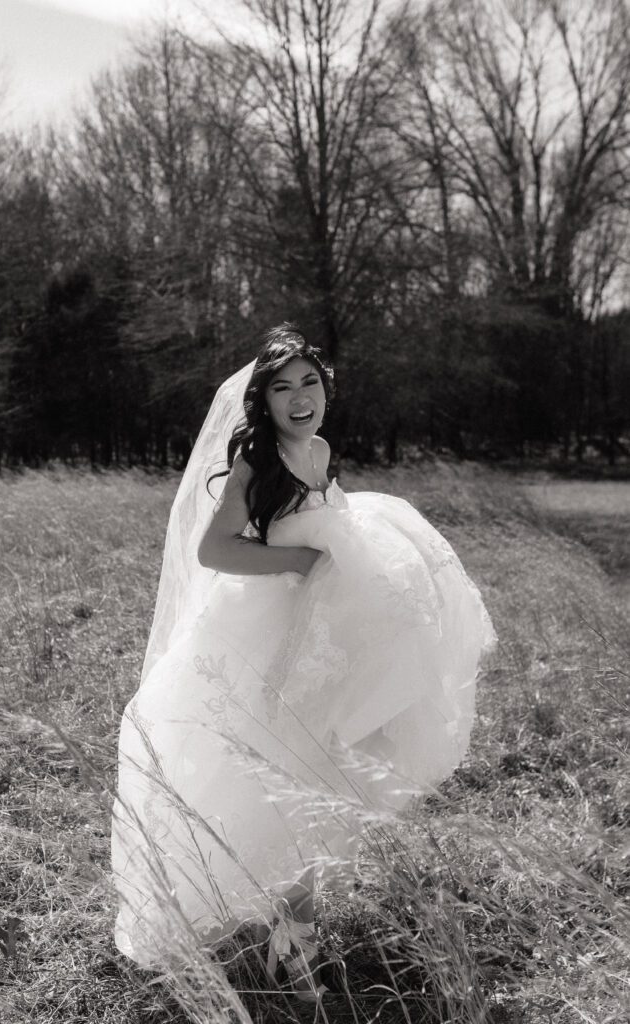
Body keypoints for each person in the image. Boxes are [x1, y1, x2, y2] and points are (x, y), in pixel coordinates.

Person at [111, 324, 496, 1003]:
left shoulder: (318, 451)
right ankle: (295, 949)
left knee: (318, 777)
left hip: (321, 641)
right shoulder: (259, 462)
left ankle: (294, 937)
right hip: (265, 633)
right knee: (279, 774)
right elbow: (215, 549)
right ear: (262, 402)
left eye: (309, 383)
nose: (298, 399)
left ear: (326, 390)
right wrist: (299, 563)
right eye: (282, 388)